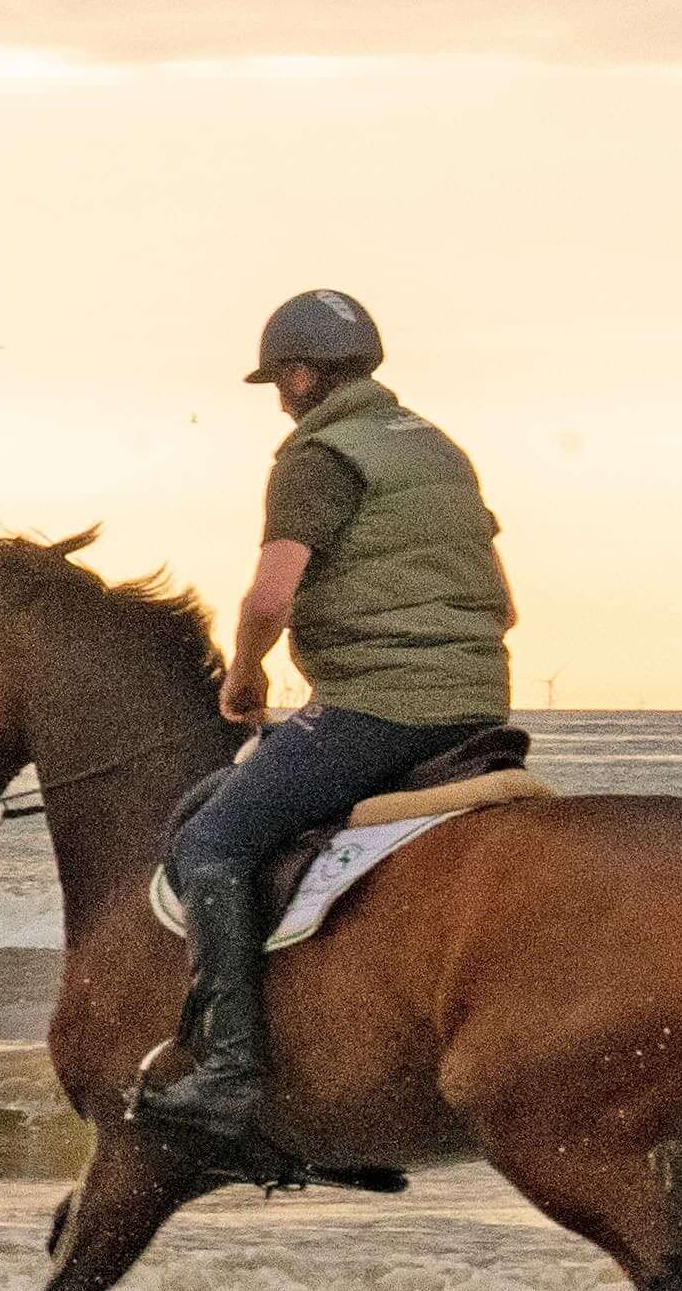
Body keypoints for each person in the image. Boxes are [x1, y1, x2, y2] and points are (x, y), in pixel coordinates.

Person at [137, 286, 516, 1152]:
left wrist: (244, 674)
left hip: (377, 710)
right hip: (477, 700)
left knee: (210, 840)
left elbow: (270, 595)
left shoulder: (318, 456)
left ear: (304, 376)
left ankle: (232, 1075)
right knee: (214, 806)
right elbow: (505, 598)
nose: (278, 395)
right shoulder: (439, 451)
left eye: (279, 379)